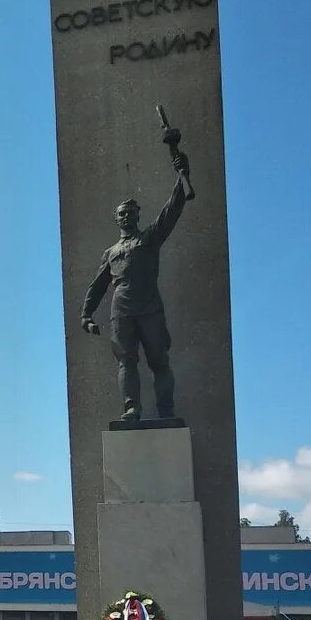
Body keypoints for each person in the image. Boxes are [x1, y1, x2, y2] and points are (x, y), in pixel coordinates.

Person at [81, 149, 192, 422]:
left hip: (149, 305)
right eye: (122, 214)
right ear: (116, 219)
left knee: (159, 361)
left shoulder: (150, 239)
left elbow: (171, 211)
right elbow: (98, 285)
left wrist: (182, 174)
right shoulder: (110, 253)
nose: (126, 217)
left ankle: (166, 410)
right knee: (125, 360)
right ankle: (132, 408)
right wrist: (86, 313)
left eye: (131, 213)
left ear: (137, 217)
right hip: (121, 308)